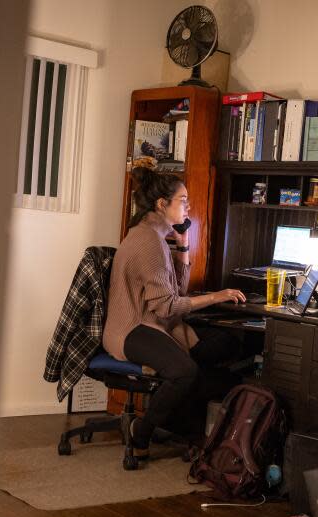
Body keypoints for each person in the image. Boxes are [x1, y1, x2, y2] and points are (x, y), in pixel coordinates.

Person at [102, 166, 245, 457]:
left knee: (226, 345)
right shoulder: (148, 242)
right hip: (131, 329)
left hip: (155, 322)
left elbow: (176, 292)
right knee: (185, 371)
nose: (188, 206)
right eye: (183, 200)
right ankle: (141, 434)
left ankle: (181, 424)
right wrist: (216, 296)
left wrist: (183, 245)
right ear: (161, 204)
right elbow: (167, 306)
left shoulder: (155, 237)